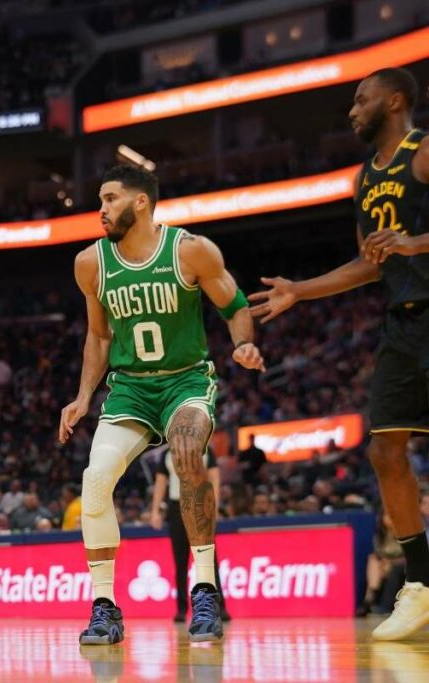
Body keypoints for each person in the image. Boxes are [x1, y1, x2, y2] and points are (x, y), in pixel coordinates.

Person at [248, 67, 429, 641]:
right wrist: (301, 290)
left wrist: (414, 242)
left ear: (394, 100)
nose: (352, 111)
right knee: (384, 451)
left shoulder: (425, 153)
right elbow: (366, 263)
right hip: (402, 325)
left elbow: (402, 244)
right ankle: (421, 585)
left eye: (360, 99)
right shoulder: (365, 178)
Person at [59, 165, 265, 646]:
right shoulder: (90, 263)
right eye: (100, 199)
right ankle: (105, 607)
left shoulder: (189, 250)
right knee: (95, 478)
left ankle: (206, 588)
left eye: (110, 198)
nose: (101, 208)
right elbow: (98, 334)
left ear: (141, 202)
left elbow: (235, 306)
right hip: (130, 387)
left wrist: (240, 345)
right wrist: (83, 396)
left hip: (185, 382)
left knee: (187, 452)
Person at [149, 446, 230, 622]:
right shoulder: (166, 453)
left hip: (201, 504)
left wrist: (213, 504)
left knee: (209, 559)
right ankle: (181, 609)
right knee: (180, 561)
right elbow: (161, 482)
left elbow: (214, 476)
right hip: (176, 507)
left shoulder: (206, 448)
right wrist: (155, 510)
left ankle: (220, 606)